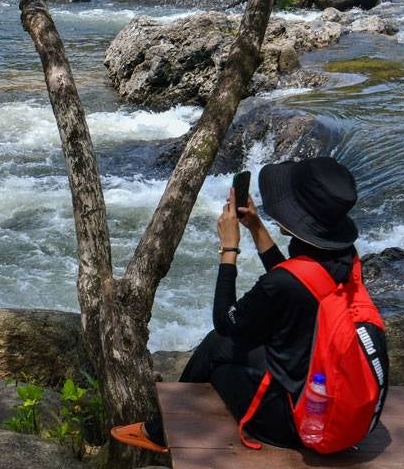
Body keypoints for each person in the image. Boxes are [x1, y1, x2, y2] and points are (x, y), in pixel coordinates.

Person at [112, 157, 376, 452]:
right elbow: (305, 284)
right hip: (335, 399)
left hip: (300, 424)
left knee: (218, 351)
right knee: (226, 344)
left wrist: (229, 247)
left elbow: (226, 322)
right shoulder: (345, 258)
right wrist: (256, 227)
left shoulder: (283, 284)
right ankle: (159, 429)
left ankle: (163, 432)